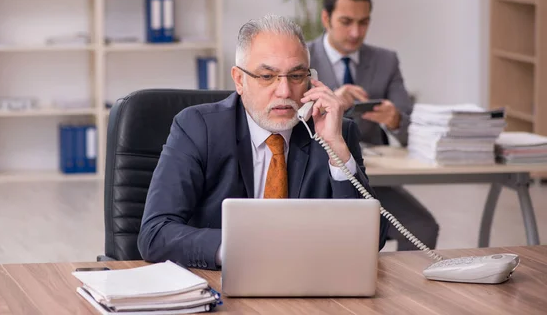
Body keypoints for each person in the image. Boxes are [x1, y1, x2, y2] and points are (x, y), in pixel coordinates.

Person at [138, 14, 389, 270]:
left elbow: (372, 240)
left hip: (309, 286)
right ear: (239, 80)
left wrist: (336, 151)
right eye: (267, 77)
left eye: (296, 76)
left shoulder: (336, 132)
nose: (284, 91)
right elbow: (155, 234)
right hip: (222, 284)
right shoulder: (197, 128)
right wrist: (243, 250)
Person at [307, 0, 439, 251]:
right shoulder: (303, 58)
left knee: (423, 226)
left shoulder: (385, 61)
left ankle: (401, 292)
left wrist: (395, 120)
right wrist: (331, 102)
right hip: (312, 176)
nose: (356, 32)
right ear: (326, 18)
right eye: (346, 22)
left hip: (369, 179)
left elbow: (410, 127)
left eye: (363, 22)